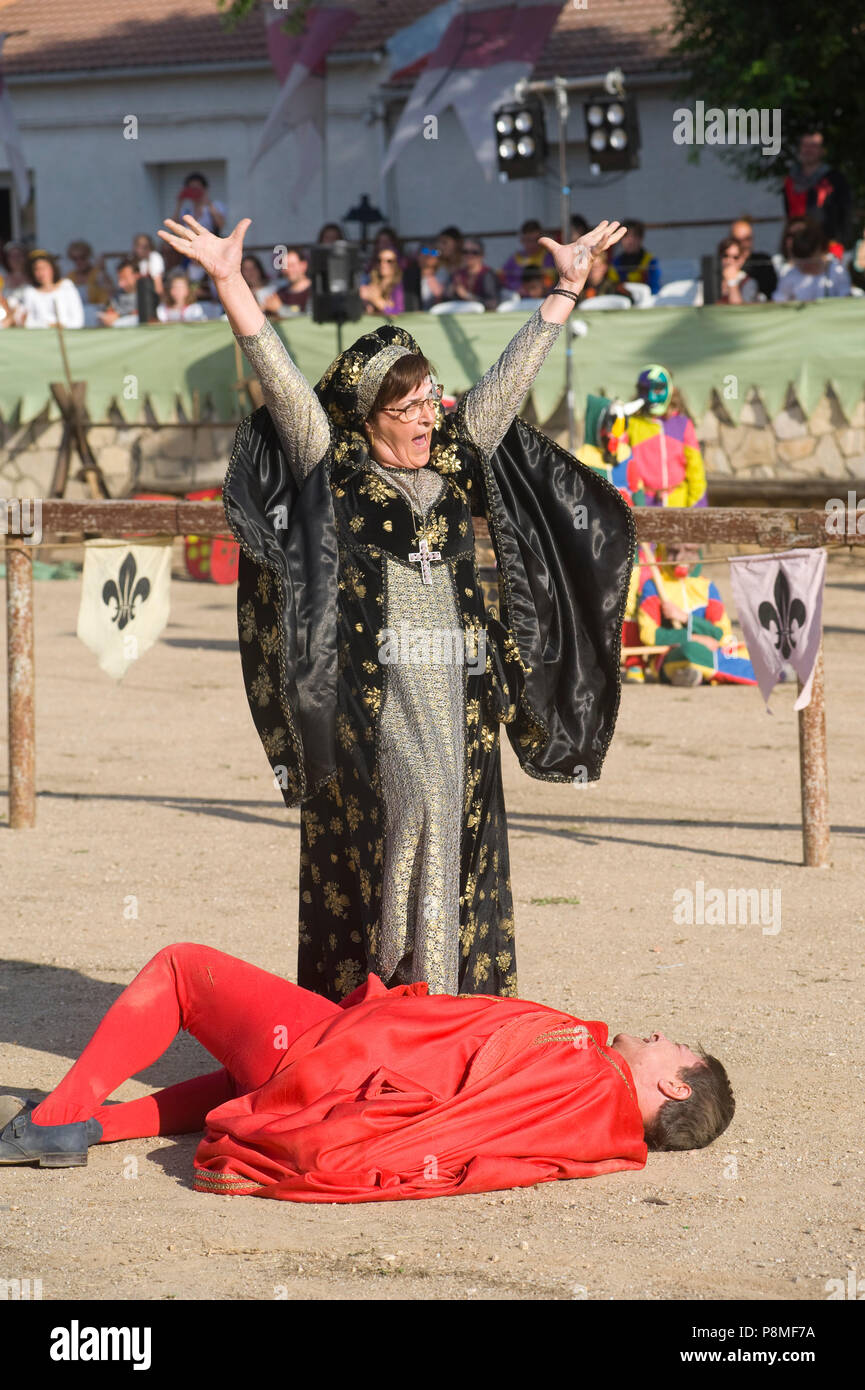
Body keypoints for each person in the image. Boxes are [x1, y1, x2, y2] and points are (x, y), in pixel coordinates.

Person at [158, 210, 633, 1002]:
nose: (425, 419)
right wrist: (227, 280)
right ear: (367, 415)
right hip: (374, 696)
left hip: (459, 689)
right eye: (406, 408)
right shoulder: (331, 461)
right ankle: (384, 993)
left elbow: (508, 382)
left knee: (454, 824)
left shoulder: (451, 458)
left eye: (429, 403)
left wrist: (564, 290)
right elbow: (276, 374)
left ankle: (442, 1005)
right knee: (409, 812)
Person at [0, 942, 735, 1199]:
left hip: (339, 1054)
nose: (664, 1036)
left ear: (674, 1084)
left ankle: (57, 1116)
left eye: (678, 1049)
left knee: (183, 970)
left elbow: (459, 1070)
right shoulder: (599, 1133)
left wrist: (363, 1047)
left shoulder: (583, 1072)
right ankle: (91, 1130)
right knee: (250, 1088)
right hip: (352, 1065)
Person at [637, 544, 756, 687]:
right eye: (674, 551)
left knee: (749, 649)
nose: (680, 558)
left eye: (689, 551)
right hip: (671, 654)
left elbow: (720, 633)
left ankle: (695, 674)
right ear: (663, 552)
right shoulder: (652, 586)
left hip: (711, 649)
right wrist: (693, 638)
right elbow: (650, 635)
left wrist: (685, 618)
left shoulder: (707, 587)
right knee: (691, 651)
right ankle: (757, 672)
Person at [782, 132, 851, 252]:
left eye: (813, 146)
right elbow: (788, 212)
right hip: (798, 244)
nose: (808, 150)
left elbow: (845, 211)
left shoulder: (834, 178)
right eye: (805, 145)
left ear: (822, 151)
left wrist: (841, 241)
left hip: (827, 244)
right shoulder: (791, 180)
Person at [772, 222, 851, 301]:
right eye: (801, 262)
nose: (806, 266)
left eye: (810, 260)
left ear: (820, 250)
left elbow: (846, 297)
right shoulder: (789, 276)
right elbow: (779, 300)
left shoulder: (837, 271)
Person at [172, 172, 226, 284]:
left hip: (210, 249)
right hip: (190, 250)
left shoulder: (214, 206)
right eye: (191, 188)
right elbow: (173, 224)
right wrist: (179, 202)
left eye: (197, 188)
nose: (194, 191)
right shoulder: (186, 209)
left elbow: (221, 224)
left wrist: (208, 202)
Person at [14, 250, 85, 329]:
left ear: (52, 268)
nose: (41, 272)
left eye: (44, 268)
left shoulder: (66, 286)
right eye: (36, 269)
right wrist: (48, 326)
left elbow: (78, 319)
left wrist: (63, 326)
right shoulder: (30, 292)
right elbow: (28, 322)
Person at [499, 218, 556, 294]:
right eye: (528, 240)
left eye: (535, 240)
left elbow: (551, 281)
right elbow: (502, 277)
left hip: (542, 298)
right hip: (518, 299)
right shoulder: (515, 258)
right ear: (522, 240)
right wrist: (517, 287)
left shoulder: (548, 257)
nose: (532, 244)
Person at [728, 216, 777, 298]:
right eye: (738, 240)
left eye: (747, 239)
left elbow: (771, 291)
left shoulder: (763, 261)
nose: (743, 244)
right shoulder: (726, 261)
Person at [610, 218, 661, 295]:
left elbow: (655, 289)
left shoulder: (651, 261)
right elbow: (612, 288)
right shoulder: (615, 263)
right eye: (626, 236)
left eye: (634, 236)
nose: (630, 241)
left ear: (641, 238)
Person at [446, 237, 500, 310]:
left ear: (482, 255)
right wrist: (451, 290)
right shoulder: (457, 274)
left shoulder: (487, 274)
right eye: (465, 252)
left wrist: (467, 296)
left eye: (474, 252)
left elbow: (492, 304)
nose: (469, 255)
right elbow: (446, 300)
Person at [359, 245, 405, 316]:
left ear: (396, 263)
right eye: (379, 260)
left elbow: (399, 312)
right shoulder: (369, 281)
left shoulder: (398, 286)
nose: (383, 264)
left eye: (389, 261)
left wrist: (376, 300)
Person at [65, 240, 112, 306]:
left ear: (89, 256)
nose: (79, 261)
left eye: (82, 257)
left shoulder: (98, 273)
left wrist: (104, 271)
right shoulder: (70, 277)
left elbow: (111, 293)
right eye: (75, 258)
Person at [716, 236, 760, 304]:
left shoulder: (749, 283)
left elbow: (739, 311)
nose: (729, 261)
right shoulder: (712, 280)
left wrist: (732, 282)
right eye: (725, 256)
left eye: (735, 257)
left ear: (742, 260)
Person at [97, 259, 140, 327]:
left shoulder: (147, 295)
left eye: (125, 278)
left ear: (137, 276)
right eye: (119, 278)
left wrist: (118, 318)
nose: (120, 284)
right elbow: (109, 311)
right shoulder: (117, 295)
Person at [274, 245, 311, 314]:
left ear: (303, 265)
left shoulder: (315, 292)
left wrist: (279, 309)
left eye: (292, 265)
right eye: (285, 266)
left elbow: (308, 317)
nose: (288, 270)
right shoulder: (280, 293)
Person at [132, 233, 165, 298]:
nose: (138, 249)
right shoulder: (141, 261)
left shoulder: (154, 257)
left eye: (144, 246)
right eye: (138, 246)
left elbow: (158, 286)